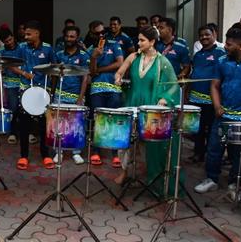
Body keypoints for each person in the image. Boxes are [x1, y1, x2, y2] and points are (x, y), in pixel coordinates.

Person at [115, 26, 180, 188]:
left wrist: (165, 99)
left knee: (148, 143)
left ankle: (151, 175)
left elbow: (173, 85)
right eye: (138, 39)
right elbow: (119, 72)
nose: (138, 43)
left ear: (152, 42)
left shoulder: (162, 62)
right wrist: (118, 78)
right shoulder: (133, 56)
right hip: (132, 103)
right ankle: (124, 172)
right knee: (126, 141)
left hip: (151, 106)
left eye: (142, 40)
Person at [194, 25, 241, 199]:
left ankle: (234, 184)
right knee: (215, 147)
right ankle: (211, 179)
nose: (226, 47)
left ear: (240, 46)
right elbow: (214, 85)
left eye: (229, 44)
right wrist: (216, 106)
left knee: (238, 152)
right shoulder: (222, 61)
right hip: (223, 116)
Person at [11, 20, 55, 170]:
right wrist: (24, 73)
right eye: (25, 34)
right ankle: (23, 156)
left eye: (29, 34)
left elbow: (55, 69)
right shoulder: (21, 48)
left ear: (37, 33)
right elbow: (12, 65)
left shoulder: (48, 49)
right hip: (25, 90)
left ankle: (46, 155)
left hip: (43, 91)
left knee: (44, 125)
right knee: (24, 125)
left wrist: (52, 91)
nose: (26, 37)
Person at [187, 25, 226, 163]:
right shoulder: (197, 55)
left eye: (207, 34)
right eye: (201, 35)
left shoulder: (221, 53)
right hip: (195, 98)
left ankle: (211, 157)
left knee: (211, 131)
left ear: (214, 34)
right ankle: (198, 153)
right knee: (197, 129)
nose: (204, 37)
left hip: (211, 100)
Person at [52, 26, 90, 165]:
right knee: (59, 124)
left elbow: (85, 78)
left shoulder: (83, 56)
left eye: (72, 36)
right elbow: (54, 76)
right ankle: (59, 151)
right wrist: (52, 92)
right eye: (67, 36)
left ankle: (76, 152)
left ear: (77, 38)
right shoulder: (59, 54)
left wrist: (80, 97)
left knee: (77, 125)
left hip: (76, 95)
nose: (69, 39)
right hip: (60, 94)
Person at [88, 22, 123, 167]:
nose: (101, 35)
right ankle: (96, 151)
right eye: (97, 33)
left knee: (113, 119)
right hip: (97, 89)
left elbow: (119, 63)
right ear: (91, 34)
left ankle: (115, 153)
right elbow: (91, 72)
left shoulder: (114, 44)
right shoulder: (90, 50)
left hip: (114, 88)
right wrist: (94, 57)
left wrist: (100, 69)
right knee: (97, 119)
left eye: (103, 32)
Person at [0, 29, 20, 144]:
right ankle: (13, 132)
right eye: (6, 41)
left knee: (26, 108)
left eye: (10, 39)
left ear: (13, 37)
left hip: (24, 81)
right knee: (13, 108)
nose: (9, 42)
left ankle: (29, 132)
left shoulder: (22, 47)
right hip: (10, 83)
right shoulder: (1, 51)